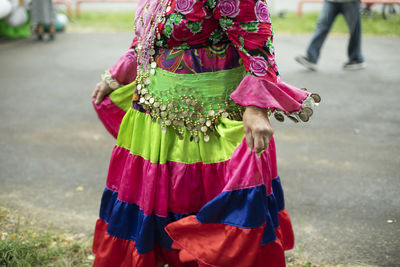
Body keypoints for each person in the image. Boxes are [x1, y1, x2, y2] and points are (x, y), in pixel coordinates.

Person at [91, 0, 320, 266]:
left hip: (210, 127)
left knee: (209, 223)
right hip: (155, 123)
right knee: (153, 219)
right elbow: (149, 35)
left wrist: (256, 107)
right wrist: (119, 73)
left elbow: (257, 43)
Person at [295, 0, 365, 71]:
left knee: (354, 29)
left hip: (350, 2)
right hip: (330, 1)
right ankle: (311, 58)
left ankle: (356, 59)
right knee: (321, 27)